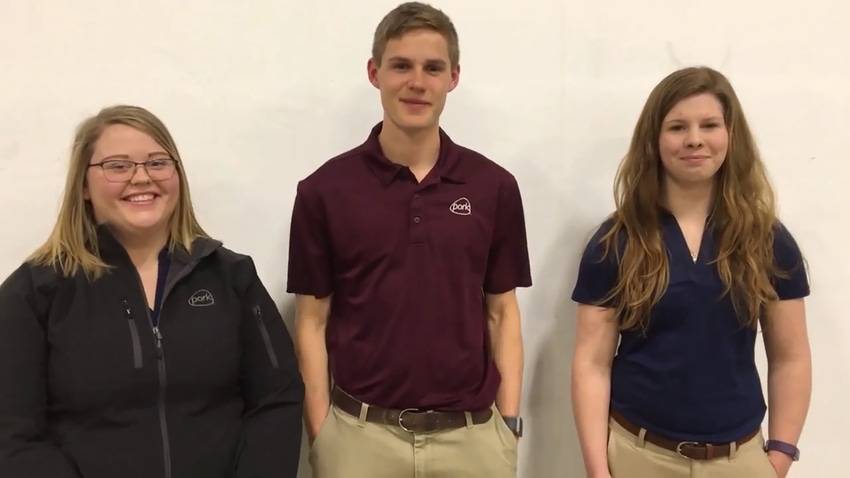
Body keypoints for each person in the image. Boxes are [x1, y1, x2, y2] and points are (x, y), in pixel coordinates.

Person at [286, 2, 532, 477]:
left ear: (453, 78)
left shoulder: (493, 187)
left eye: (432, 68)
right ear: (375, 72)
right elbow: (311, 322)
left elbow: (503, 313)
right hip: (361, 440)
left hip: (472, 440)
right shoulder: (324, 191)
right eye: (401, 65)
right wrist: (323, 434)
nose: (417, 82)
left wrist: (508, 425)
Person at [0, 105, 305, 478]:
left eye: (158, 163)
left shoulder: (231, 277)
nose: (142, 178)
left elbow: (276, 399)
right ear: (83, 185)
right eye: (118, 165)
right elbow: (12, 434)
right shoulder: (35, 292)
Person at [570, 66, 812, 478]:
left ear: (730, 135)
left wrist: (780, 456)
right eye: (678, 126)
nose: (694, 139)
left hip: (740, 460)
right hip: (637, 455)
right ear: (654, 140)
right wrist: (598, 469)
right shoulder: (616, 241)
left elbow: (790, 356)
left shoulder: (767, 240)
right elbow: (592, 363)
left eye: (709, 125)